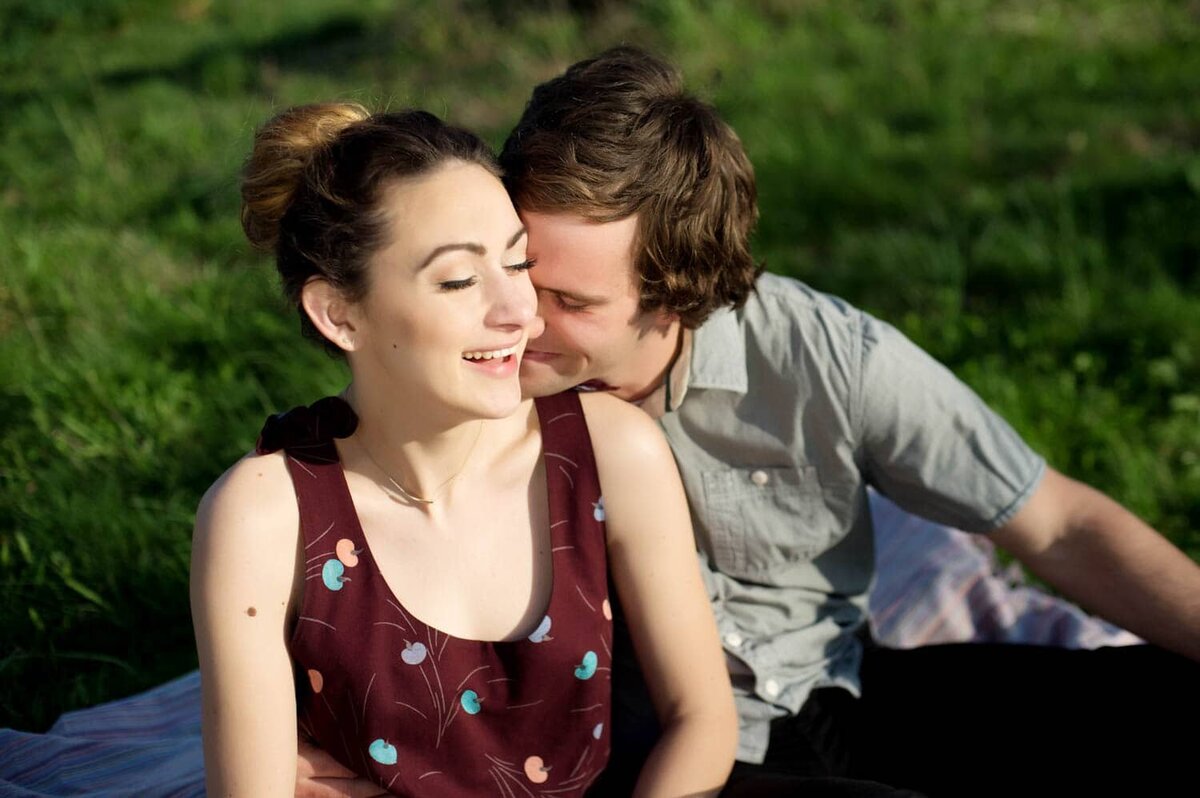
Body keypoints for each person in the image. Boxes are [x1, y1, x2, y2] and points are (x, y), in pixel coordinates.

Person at [296, 50, 1200, 797]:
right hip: (645, 753)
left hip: (834, 686)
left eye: (567, 298)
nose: (518, 315)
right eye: (518, 266)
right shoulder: (481, 387)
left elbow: (1062, 523)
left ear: (675, 298)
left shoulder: (823, 356)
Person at [190, 102, 736, 798]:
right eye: (457, 280)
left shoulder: (610, 449)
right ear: (339, 313)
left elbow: (703, 718)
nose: (520, 313)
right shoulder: (266, 517)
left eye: (518, 263)